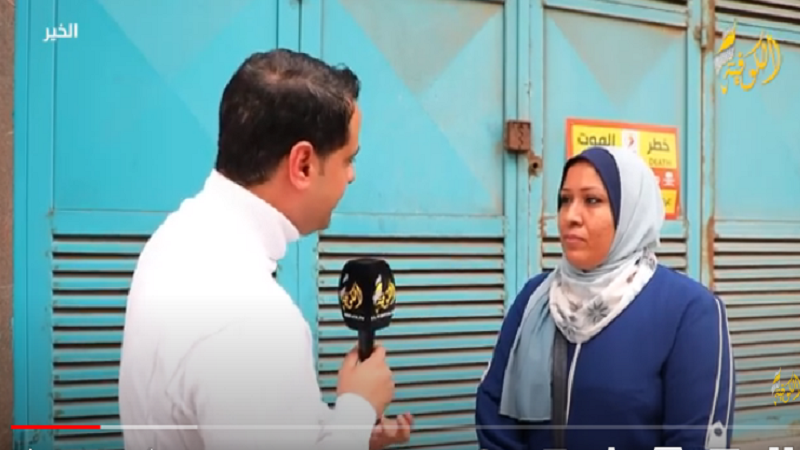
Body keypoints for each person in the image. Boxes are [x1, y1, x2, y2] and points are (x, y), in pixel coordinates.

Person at [118, 49, 413, 450]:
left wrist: (348, 432)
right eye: (348, 159)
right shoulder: (255, 321)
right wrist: (357, 409)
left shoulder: (172, 241)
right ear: (303, 164)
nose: (352, 176)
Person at [475, 146, 735, 450]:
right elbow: (494, 410)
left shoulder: (689, 311)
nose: (571, 216)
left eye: (592, 200)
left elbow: (697, 438)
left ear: (630, 213)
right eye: (565, 200)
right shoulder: (536, 299)